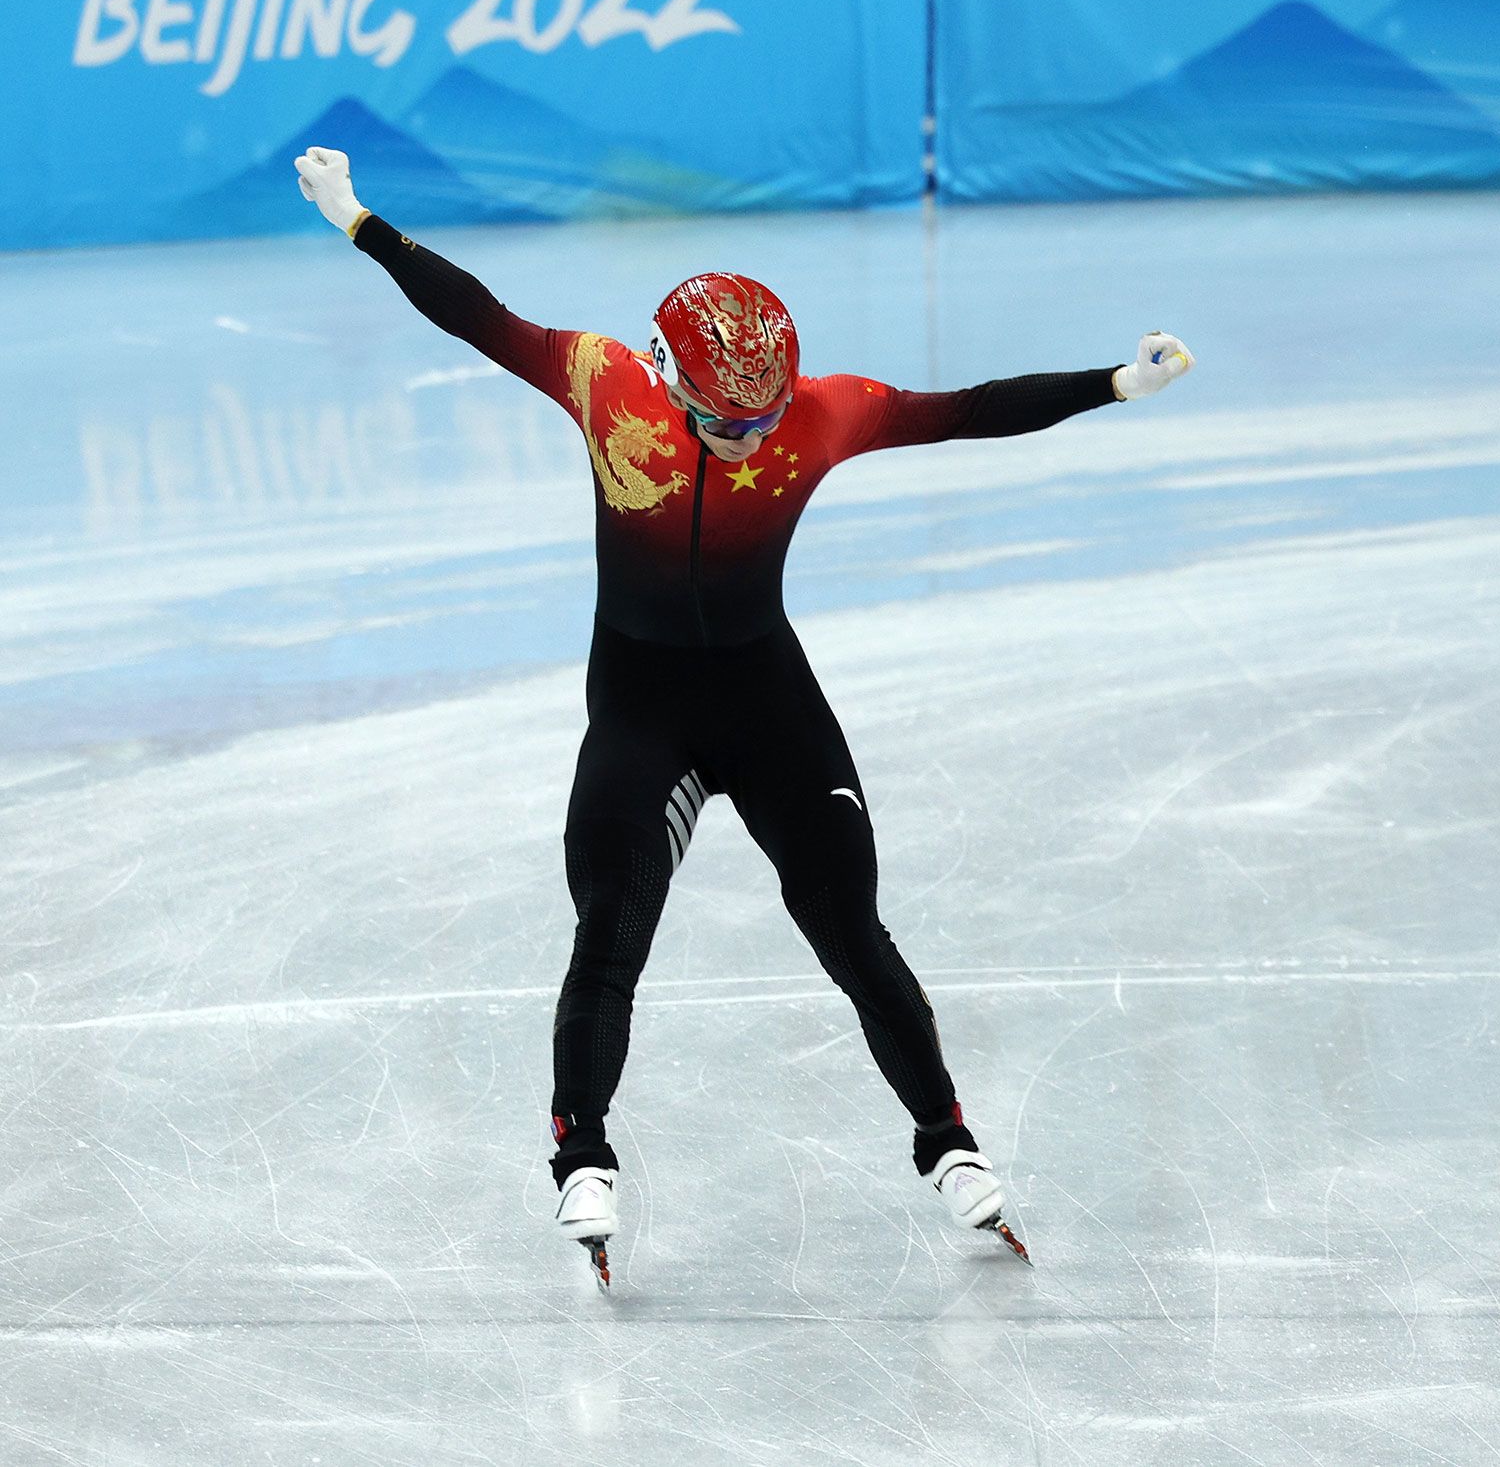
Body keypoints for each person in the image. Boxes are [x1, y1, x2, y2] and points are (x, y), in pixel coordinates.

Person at [295, 144, 1196, 1280]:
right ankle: (582, 1146)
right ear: (667, 378)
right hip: (642, 710)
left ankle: (947, 1138)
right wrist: (360, 219)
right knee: (611, 928)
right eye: (732, 425)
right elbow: (477, 314)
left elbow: (963, 410)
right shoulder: (603, 382)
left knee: (853, 929)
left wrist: (1113, 384)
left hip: (767, 702)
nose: (758, 439)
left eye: (768, 419)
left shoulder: (820, 413)